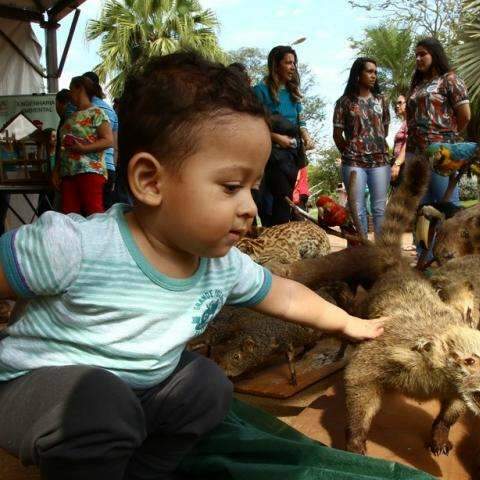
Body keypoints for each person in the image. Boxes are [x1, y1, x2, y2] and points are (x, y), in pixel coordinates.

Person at [0, 52, 384, 480]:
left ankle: (144, 470)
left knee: (207, 387)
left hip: (135, 392)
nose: (249, 207)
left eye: (253, 188)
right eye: (232, 187)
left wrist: (349, 324)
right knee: (102, 407)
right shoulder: (73, 245)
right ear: (150, 181)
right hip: (37, 389)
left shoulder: (219, 264)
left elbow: (285, 293)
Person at [406, 37, 471, 207]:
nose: (418, 58)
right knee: (420, 206)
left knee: (446, 203)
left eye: (422, 54)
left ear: (435, 54)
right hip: (415, 153)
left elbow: (465, 116)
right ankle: (422, 236)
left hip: (440, 151)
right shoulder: (417, 85)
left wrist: (447, 139)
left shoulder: (450, 80)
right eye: (416, 55)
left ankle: (448, 235)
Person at [253, 45, 314, 226]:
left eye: (294, 63)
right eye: (288, 62)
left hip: (291, 156)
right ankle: (273, 239)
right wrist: (276, 138)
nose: (293, 67)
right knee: (271, 202)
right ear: (275, 65)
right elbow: (253, 123)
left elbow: (300, 121)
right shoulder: (259, 91)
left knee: (284, 201)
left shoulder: (293, 92)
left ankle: (278, 241)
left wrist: (306, 136)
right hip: (269, 155)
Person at [333, 57, 390, 235]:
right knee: (357, 209)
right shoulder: (344, 102)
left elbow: (384, 130)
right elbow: (337, 135)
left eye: (375, 72)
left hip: (380, 161)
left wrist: (374, 144)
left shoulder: (382, 100)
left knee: (380, 209)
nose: (374, 76)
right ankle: (363, 252)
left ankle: (381, 255)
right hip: (354, 162)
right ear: (358, 74)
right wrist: (350, 152)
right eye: (369, 71)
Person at [59, 75, 113, 216]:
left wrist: (84, 149)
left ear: (80, 89)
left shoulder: (96, 113)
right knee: (69, 216)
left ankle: (98, 238)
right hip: (68, 172)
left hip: (90, 170)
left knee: (93, 212)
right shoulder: (71, 116)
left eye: (71, 90)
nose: (70, 94)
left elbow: (108, 140)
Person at [82, 71, 121, 209]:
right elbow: (115, 147)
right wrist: (113, 170)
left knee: (86, 216)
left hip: (88, 168)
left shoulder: (79, 109)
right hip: (109, 168)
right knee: (105, 215)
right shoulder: (110, 110)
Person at [390, 94, 408, 189]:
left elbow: (408, 143)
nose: (397, 106)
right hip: (400, 168)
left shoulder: (410, 122)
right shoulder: (404, 123)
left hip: (405, 167)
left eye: (400, 103)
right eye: (396, 103)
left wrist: (397, 164)